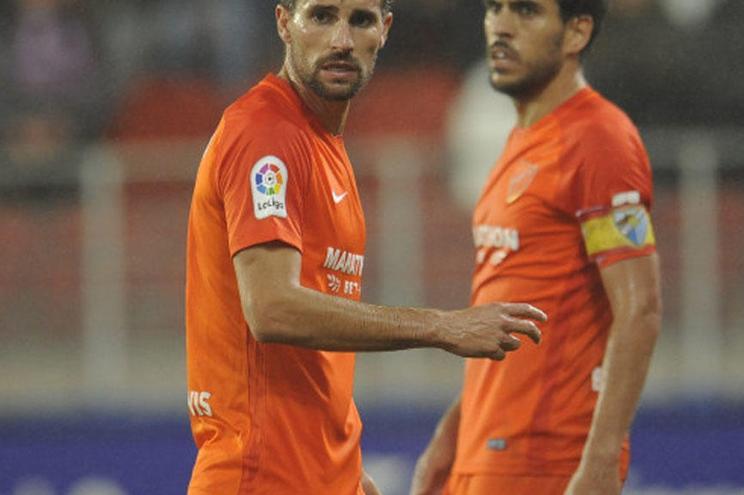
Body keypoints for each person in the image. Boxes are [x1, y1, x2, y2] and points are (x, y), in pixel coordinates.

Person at [185, 1, 547, 494]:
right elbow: (271, 309)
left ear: (385, 30)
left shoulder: (322, 145)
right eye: (321, 16)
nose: (341, 40)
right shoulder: (265, 134)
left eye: (360, 20)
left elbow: (307, 356)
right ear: (283, 23)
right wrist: (443, 326)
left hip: (313, 476)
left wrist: (342, 472)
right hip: (259, 476)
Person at [410, 1, 661, 494]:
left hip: (547, 459)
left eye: (526, 11)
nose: (501, 26)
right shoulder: (522, 139)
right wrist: (454, 431)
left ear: (576, 33)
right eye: (494, 9)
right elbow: (506, 319)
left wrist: (601, 460)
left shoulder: (599, 139)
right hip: (488, 451)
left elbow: (641, 310)